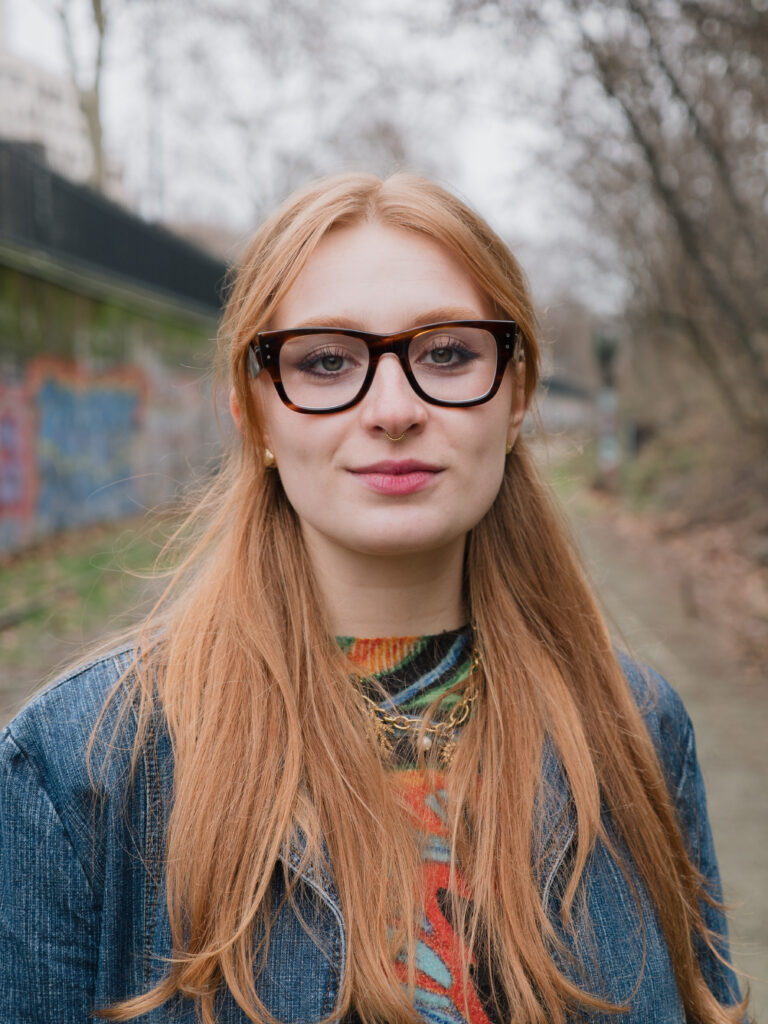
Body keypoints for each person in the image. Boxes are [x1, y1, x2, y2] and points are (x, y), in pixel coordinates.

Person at [0, 173, 749, 1024]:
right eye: (326, 361)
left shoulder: (639, 728)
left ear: (517, 396)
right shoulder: (78, 768)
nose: (394, 409)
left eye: (448, 354)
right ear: (254, 413)